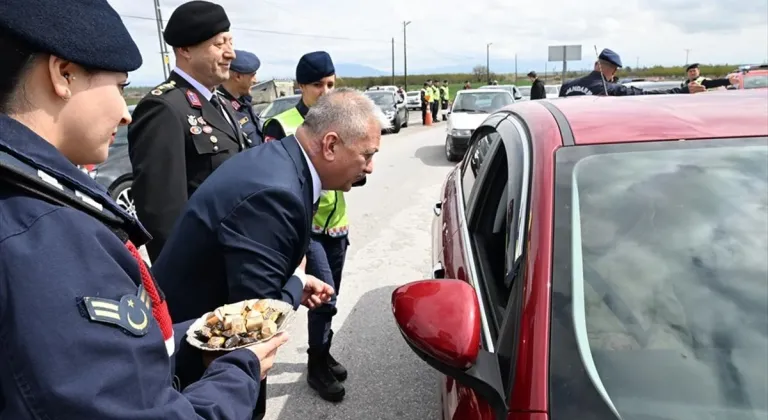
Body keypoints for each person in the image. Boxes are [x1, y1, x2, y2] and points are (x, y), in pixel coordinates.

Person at [0, 0, 288, 418]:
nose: (124, 114)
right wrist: (235, 368)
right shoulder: (44, 231)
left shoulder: (226, 104)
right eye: (119, 87)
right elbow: (166, 215)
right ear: (63, 74)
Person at [153, 88, 385, 410]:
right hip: (197, 365)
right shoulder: (277, 194)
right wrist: (297, 285)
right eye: (368, 155)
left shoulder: (283, 162)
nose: (370, 167)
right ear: (331, 145)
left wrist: (296, 282)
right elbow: (255, 323)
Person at [262, 51, 362, 402]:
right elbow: (273, 183)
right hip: (306, 231)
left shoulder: (341, 122)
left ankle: (322, 352)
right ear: (301, 85)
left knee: (332, 296)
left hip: (337, 225)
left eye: (331, 84)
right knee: (324, 297)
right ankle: (316, 367)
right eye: (317, 84)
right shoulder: (282, 125)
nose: (326, 91)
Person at [128, 0, 247, 263]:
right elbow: (162, 215)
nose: (231, 54)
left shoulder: (222, 103)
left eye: (230, 42)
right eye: (219, 44)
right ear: (185, 50)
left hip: (238, 256)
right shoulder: (164, 108)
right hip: (205, 271)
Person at [559, 48, 707, 97]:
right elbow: (646, 95)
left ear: (596, 65)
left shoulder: (567, 85)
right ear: (615, 70)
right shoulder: (610, 89)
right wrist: (682, 91)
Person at [217, 49, 264, 147]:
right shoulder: (220, 108)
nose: (256, 80)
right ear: (238, 76)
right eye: (252, 75)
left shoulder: (245, 102)